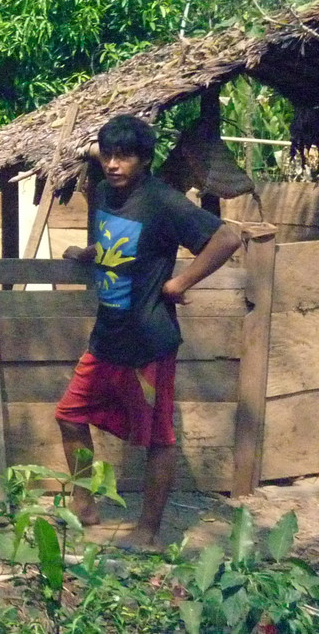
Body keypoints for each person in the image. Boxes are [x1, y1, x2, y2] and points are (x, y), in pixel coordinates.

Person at [56, 114, 241, 548]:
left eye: (126, 156)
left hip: (149, 343)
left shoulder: (162, 200)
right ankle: (84, 504)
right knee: (68, 416)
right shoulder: (102, 193)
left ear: (144, 159)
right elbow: (117, 243)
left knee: (156, 440)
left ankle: (149, 532)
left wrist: (179, 283)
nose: (114, 164)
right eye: (109, 154)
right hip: (108, 337)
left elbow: (227, 238)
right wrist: (89, 252)